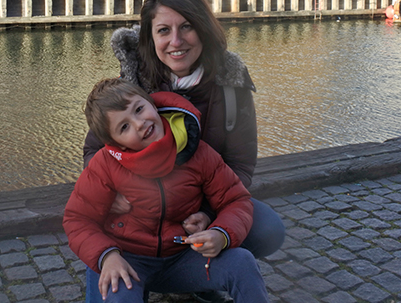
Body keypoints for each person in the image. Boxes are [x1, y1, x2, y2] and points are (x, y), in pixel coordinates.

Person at [82, 0, 285, 303]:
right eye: (163, 30)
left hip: (194, 209)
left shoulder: (231, 84)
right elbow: (94, 151)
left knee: (267, 228)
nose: (175, 41)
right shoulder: (134, 83)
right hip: (138, 223)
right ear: (150, 35)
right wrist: (115, 189)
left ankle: (198, 275)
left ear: (203, 28)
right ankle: (140, 274)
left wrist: (210, 214)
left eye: (186, 27)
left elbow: (240, 164)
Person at [65, 78, 269, 303]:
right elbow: (78, 219)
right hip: (128, 260)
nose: (139, 123)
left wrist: (221, 234)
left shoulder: (199, 152)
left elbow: (236, 200)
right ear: (117, 143)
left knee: (242, 262)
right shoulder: (104, 165)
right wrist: (107, 256)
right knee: (117, 293)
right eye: (124, 127)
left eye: (139, 109)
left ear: (152, 104)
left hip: (182, 256)